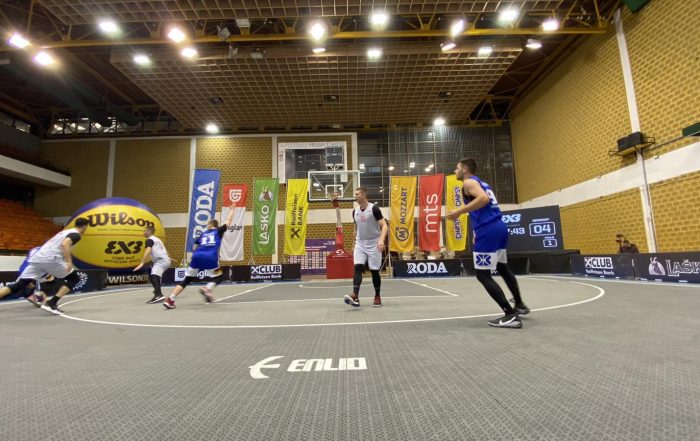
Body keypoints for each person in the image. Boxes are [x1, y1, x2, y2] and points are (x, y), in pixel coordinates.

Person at [446, 158, 529, 329]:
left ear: (465, 169)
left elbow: (483, 199)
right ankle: (519, 303)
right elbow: (484, 206)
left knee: (482, 275)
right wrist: (476, 231)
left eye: (457, 168)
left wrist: (458, 212)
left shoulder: (469, 182)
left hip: (488, 230)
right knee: (502, 267)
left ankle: (510, 314)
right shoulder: (482, 183)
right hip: (498, 227)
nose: (455, 170)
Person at [0, 218, 90, 315]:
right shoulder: (76, 234)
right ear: (85, 226)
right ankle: (51, 303)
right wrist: (69, 261)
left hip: (38, 258)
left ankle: (47, 300)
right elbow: (65, 244)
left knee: (20, 284)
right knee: (74, 279)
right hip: (51, 259)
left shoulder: (64, 232)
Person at [163, 205, 235, 309]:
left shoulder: (203, 234)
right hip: (210, 257)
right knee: (219, 275)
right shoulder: (218, 231)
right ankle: (207, 288)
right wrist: (232, 209)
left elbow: (195, 246)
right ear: (216, 225)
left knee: (187, 279)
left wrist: (197, 255)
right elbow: (228, 221)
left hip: (196, 256)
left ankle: (171, 299)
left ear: (209, 225)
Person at [344, 188, 388, 307]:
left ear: (363, 195)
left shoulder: (374, 209)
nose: (355, 196)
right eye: (355, 194)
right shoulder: (355, 211)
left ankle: (377, 296)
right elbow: (356, 229)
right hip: (360, 243)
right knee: (358, 267)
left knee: (374, 271)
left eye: (357, 194)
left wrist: (381, 240)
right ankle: (355, 296)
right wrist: (353, 244)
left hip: (374, 243)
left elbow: (384, 226)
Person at [133, 225, 172, 304]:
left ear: (148, 231)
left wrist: (142, 263)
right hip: (165, 260)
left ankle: (158, 295)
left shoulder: (149, 240)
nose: (143, 232)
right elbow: (165, 250)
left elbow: (148, 250)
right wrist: (169, 257)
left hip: (161, 261)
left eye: (144, 230)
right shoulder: (157, 239)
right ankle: (157, 292)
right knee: (154, 275)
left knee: (154, 275)